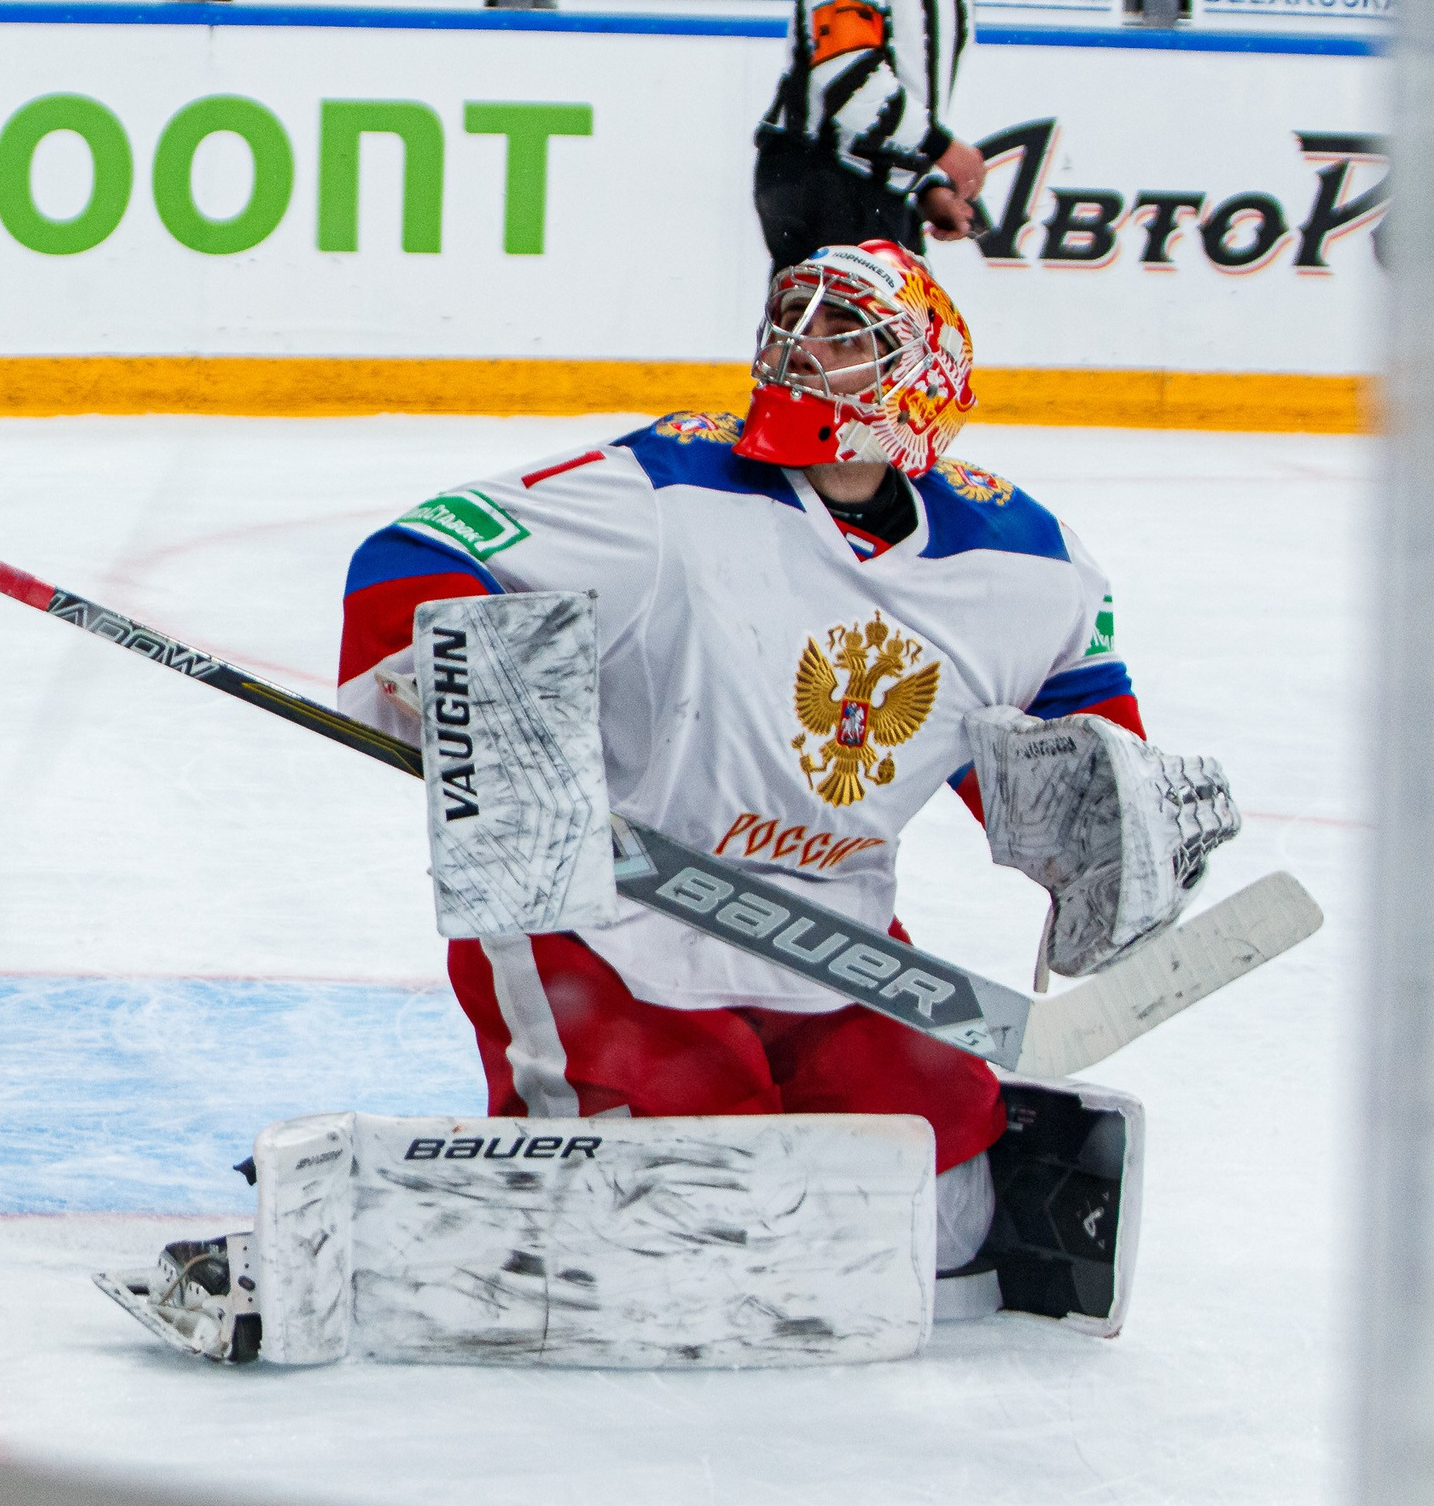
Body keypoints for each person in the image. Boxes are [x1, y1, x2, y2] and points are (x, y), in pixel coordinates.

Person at [334, 243, 1153, 1279]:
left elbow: (1075, 715)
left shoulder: (1025, 559)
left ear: (926, 368)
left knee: (935, 1185)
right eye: (792, 323)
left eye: (844, 334)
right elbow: (418, 553)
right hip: (603, 906)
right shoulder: (664, 488)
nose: (802, 350)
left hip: (828, 928)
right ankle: (486, 1231)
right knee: (687, 1191)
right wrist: (477, 705)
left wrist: (1104, 838)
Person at [752, 0, 987, 273]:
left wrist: (922, 184)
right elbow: (848, 74)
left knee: (895, 335)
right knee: (845, 335)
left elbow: (904, 81)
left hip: (864, 186)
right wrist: (940, 149)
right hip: (823, 177)